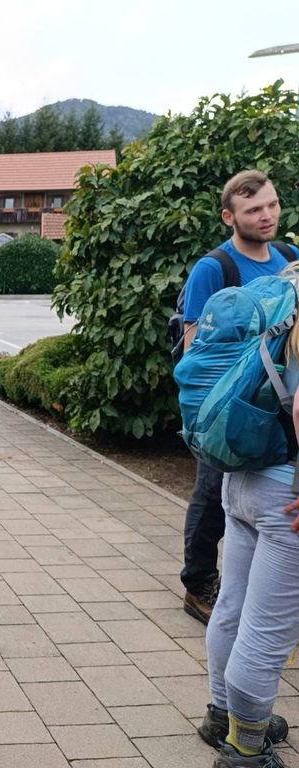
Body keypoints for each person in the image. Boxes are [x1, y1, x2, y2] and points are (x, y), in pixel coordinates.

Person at [179, 170, 299, 624]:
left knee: (258, 502)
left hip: (279, 408)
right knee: (212, 493)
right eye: (253, 210)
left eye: (272, 204)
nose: (267, 215)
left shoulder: (290, 257)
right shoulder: (216, 268)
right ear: (229, 217)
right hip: (228, 407)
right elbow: (196, 347)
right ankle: (198, 583)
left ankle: (249, 591)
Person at [201, 264, 299, 767]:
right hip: (287, 496)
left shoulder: (283, 296)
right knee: (265, 632)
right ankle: (245, 748)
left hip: (242, 478)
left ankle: (223, 714)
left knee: (233, 608)